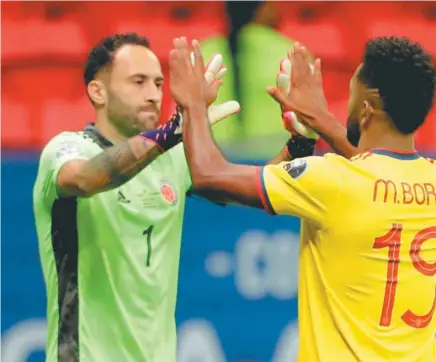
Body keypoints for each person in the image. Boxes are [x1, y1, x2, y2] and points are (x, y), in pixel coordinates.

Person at [170, 36, 436, 361]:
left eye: (351, 96)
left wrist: (193, 103)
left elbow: (210, 176)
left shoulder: (332, 180)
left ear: (366, 111)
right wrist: (317, 122)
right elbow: (374, 172)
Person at [32, 32, 315, 362]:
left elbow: (250, 189)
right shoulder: (67, 149)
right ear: (98, 91)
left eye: (158, 84)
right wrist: (172, 132)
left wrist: (298, 145)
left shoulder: (172, 157)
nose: (153, 95)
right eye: (138, 82)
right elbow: (83, 179)